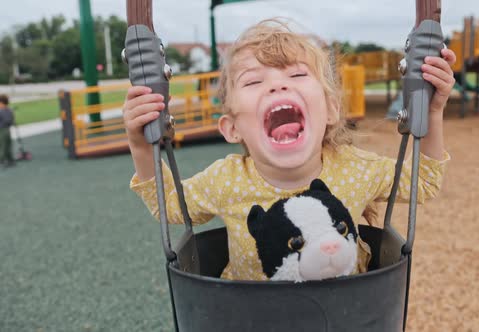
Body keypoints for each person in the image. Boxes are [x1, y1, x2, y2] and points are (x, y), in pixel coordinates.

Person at [124, 19, 455, 281]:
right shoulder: (226, 180)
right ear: (232, 128)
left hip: (344, 314)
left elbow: (422, 183)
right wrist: (141, 145)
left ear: (330, 110)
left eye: (297, 74)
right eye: (254, 81)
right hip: (253, 319)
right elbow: (169, 206)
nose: (278, 84)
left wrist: (431, 112)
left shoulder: (355, 169)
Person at [0, 94, 15, 168]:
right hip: (7, 129)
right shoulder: (9, 110)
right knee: (7, 145)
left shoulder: (2, 111)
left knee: (3, 146)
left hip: (2, 130)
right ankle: (10, 160)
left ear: (2, 103)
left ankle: (2, 160)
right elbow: (12, 120)